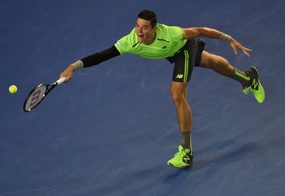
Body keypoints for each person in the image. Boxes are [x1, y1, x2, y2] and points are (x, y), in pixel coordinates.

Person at [60, 10, 265, 168]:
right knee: (212, 62)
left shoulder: (173, 34)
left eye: (145, 28)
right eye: (137, 26)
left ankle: (186, 152)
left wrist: (229, 39)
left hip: (184, 48)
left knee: (177, 96)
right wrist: (73, 66)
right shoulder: (130, 41)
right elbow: (101, 56)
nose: (139, 31)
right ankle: (248, 79)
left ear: (155, 28)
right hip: (172, 54)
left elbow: (201, 30)